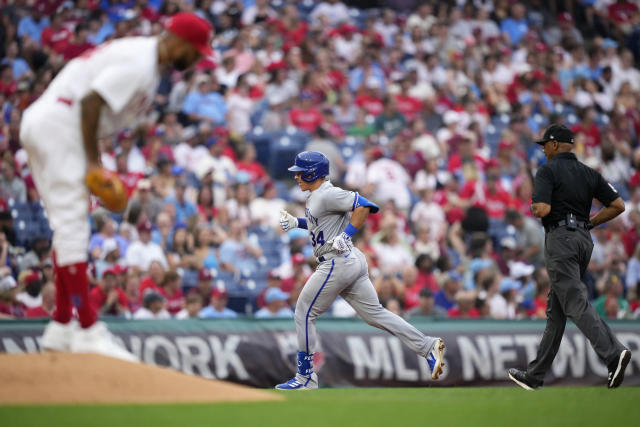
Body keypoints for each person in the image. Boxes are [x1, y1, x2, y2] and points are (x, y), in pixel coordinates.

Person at [19, 12, 213, 361]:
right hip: (60, 123)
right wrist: (94, 163)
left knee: (67, 228)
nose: (198, 58)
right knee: (74, 226)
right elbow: (91, 102)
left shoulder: (146, 60)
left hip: (54, 122)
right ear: (178, 41)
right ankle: (88, 328)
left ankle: (62, 324)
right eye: (196, 51)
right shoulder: (141, 62)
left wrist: (92, 159)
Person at [276, 151, 445, 390]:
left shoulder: (328, 193)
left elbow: (365, 206)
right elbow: (321, 225)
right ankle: (427, 346)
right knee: (375, 314)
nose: (296, 177)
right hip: (349, 259)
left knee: (304, 313)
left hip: (336, 262)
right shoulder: (318, 195)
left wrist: (347, 235)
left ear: (313, 173)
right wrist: (297, 222)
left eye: (300, 172)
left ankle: (305, 378)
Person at [508, 124, 631, 390]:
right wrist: (591, 223)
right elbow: (618, 205)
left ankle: (613, 355)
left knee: (574, 301)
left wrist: (534, 206)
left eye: (545, 146)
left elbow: (543, 208)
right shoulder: (589, 173)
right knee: (557, 309)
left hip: (560, 239)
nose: (543, 151)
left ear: (554, 145)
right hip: (584, 241)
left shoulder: (547, 170)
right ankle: (535, 374)